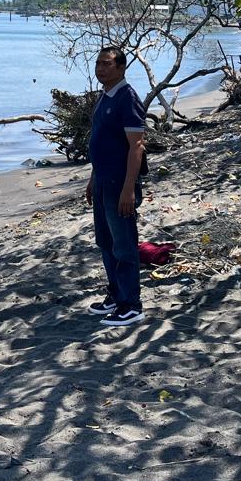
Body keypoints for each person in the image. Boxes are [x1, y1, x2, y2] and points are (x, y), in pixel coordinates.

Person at [84, 46, 148, 327]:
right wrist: (92, 178)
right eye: (98, 63)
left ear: (121, 68)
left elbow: (137, 146)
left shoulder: (127, 98)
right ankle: (116, 294)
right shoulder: (104, 96)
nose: (100, 68)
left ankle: (131, 304)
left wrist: (128, 189)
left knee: (124, 244)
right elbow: (101, 142)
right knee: (105, 242)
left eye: (107, 64)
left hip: (119, 182)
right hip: (102, 180)